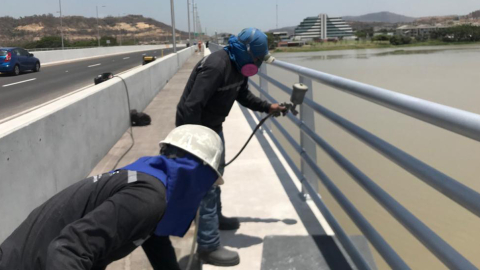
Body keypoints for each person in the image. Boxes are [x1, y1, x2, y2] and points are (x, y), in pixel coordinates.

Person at [0, 125, 224, 270]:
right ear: (196, 176)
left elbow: (156, 241)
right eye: (206, 185)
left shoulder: (149, 183)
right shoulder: (148, 198)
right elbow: (67, 250)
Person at [174, 27, 285, 266]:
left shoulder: (238, 68)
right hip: (198, 132)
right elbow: (190, 106)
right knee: (206, 188)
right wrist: (195, 144)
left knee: (216, 179)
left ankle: (216, 219)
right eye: (257, 59)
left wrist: (268, 107)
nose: (258, 64)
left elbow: (242, 95)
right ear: (246, 53)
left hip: (215, 129)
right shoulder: (216, 66)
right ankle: (208, 246)